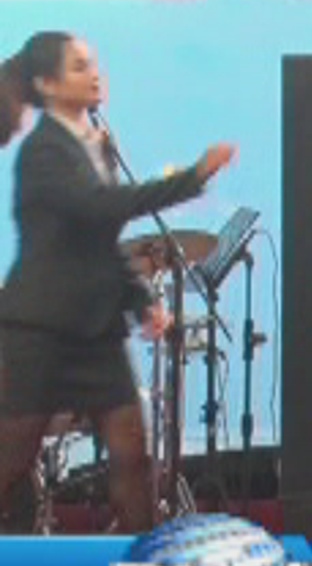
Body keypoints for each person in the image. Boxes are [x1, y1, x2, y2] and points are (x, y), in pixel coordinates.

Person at [0, 32, 234, 532]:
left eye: (93, 64)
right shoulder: (43, 153)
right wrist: (192, 178)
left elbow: (101, 239)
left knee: (133, 457)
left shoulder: (96, 146)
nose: (94, 74)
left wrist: (141, 300)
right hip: (41, 332)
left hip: (96, 333)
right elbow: (98, 208)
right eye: (78, 66)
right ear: (48, 84)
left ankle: (144, 564)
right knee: (12, 460)